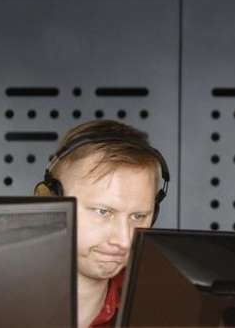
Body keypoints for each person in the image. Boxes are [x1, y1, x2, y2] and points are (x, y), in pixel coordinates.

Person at [34, 120, 169, 328]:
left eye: (138, 216)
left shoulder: (165, 309)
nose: (124, 241)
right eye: (103, 212)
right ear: (52, 202)